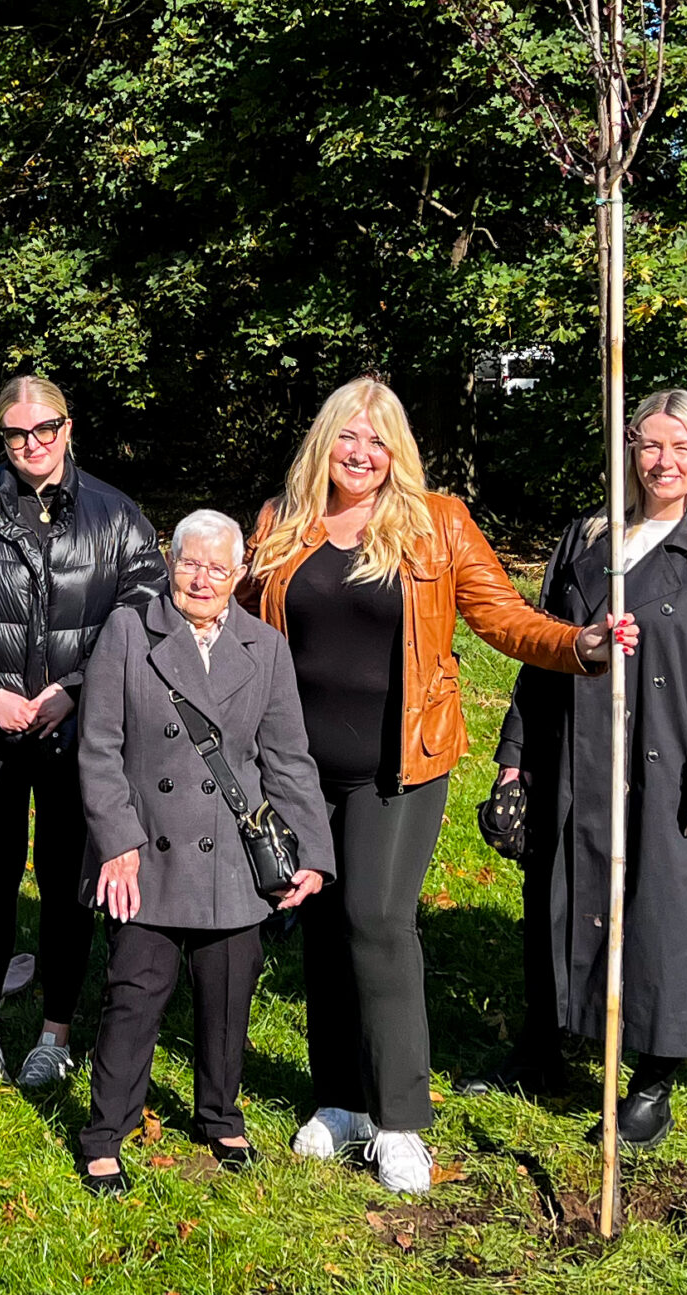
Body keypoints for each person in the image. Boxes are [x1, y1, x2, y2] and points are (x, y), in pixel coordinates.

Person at [246, 377, 630, 1195]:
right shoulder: (280, 522)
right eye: (348, 437)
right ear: (324, 441)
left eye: (378, 441)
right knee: (320, 926)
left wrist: (582, 645)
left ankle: (401, 1122)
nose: (361, 454)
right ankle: (341, 1101)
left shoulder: (436, 523)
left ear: (399, 451)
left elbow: (504, 618)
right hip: (298, 767)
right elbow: (241, 621)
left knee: (376, 921)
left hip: (403, 762)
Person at [490, 389, 687, 1148]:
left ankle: (652, 1082)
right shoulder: (589, 540)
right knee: (563, 898)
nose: (664, 461)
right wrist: (515, 758)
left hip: (672, 763)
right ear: (630, 451)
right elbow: (543, 653)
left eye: (681, 447)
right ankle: (547, 1046)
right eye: (650, 445)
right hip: (576, 756)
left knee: (668, 917)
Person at [0, 375, 167, 1088]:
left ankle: (55, 1032)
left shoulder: (117, 517)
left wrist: (75, 689)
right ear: (3, 438)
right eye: (18, 434)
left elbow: (143, 607)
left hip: (78, 730)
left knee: (64, 880)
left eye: (45, 429)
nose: (33, 445)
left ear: (68, 427)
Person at [73, 511, 331, 1197]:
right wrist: (118, 843)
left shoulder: (266, 648)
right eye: (191, 563)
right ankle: (104, 1133)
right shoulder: (130, 632)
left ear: (239, 574)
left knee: (228, 997)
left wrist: (312, 854)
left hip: (232, 860)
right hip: (146, 855)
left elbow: (287, 757)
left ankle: (220, 1114)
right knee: (134, 994)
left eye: (219, 568)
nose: (203, 578)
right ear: (169, 561)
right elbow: (98, 748)